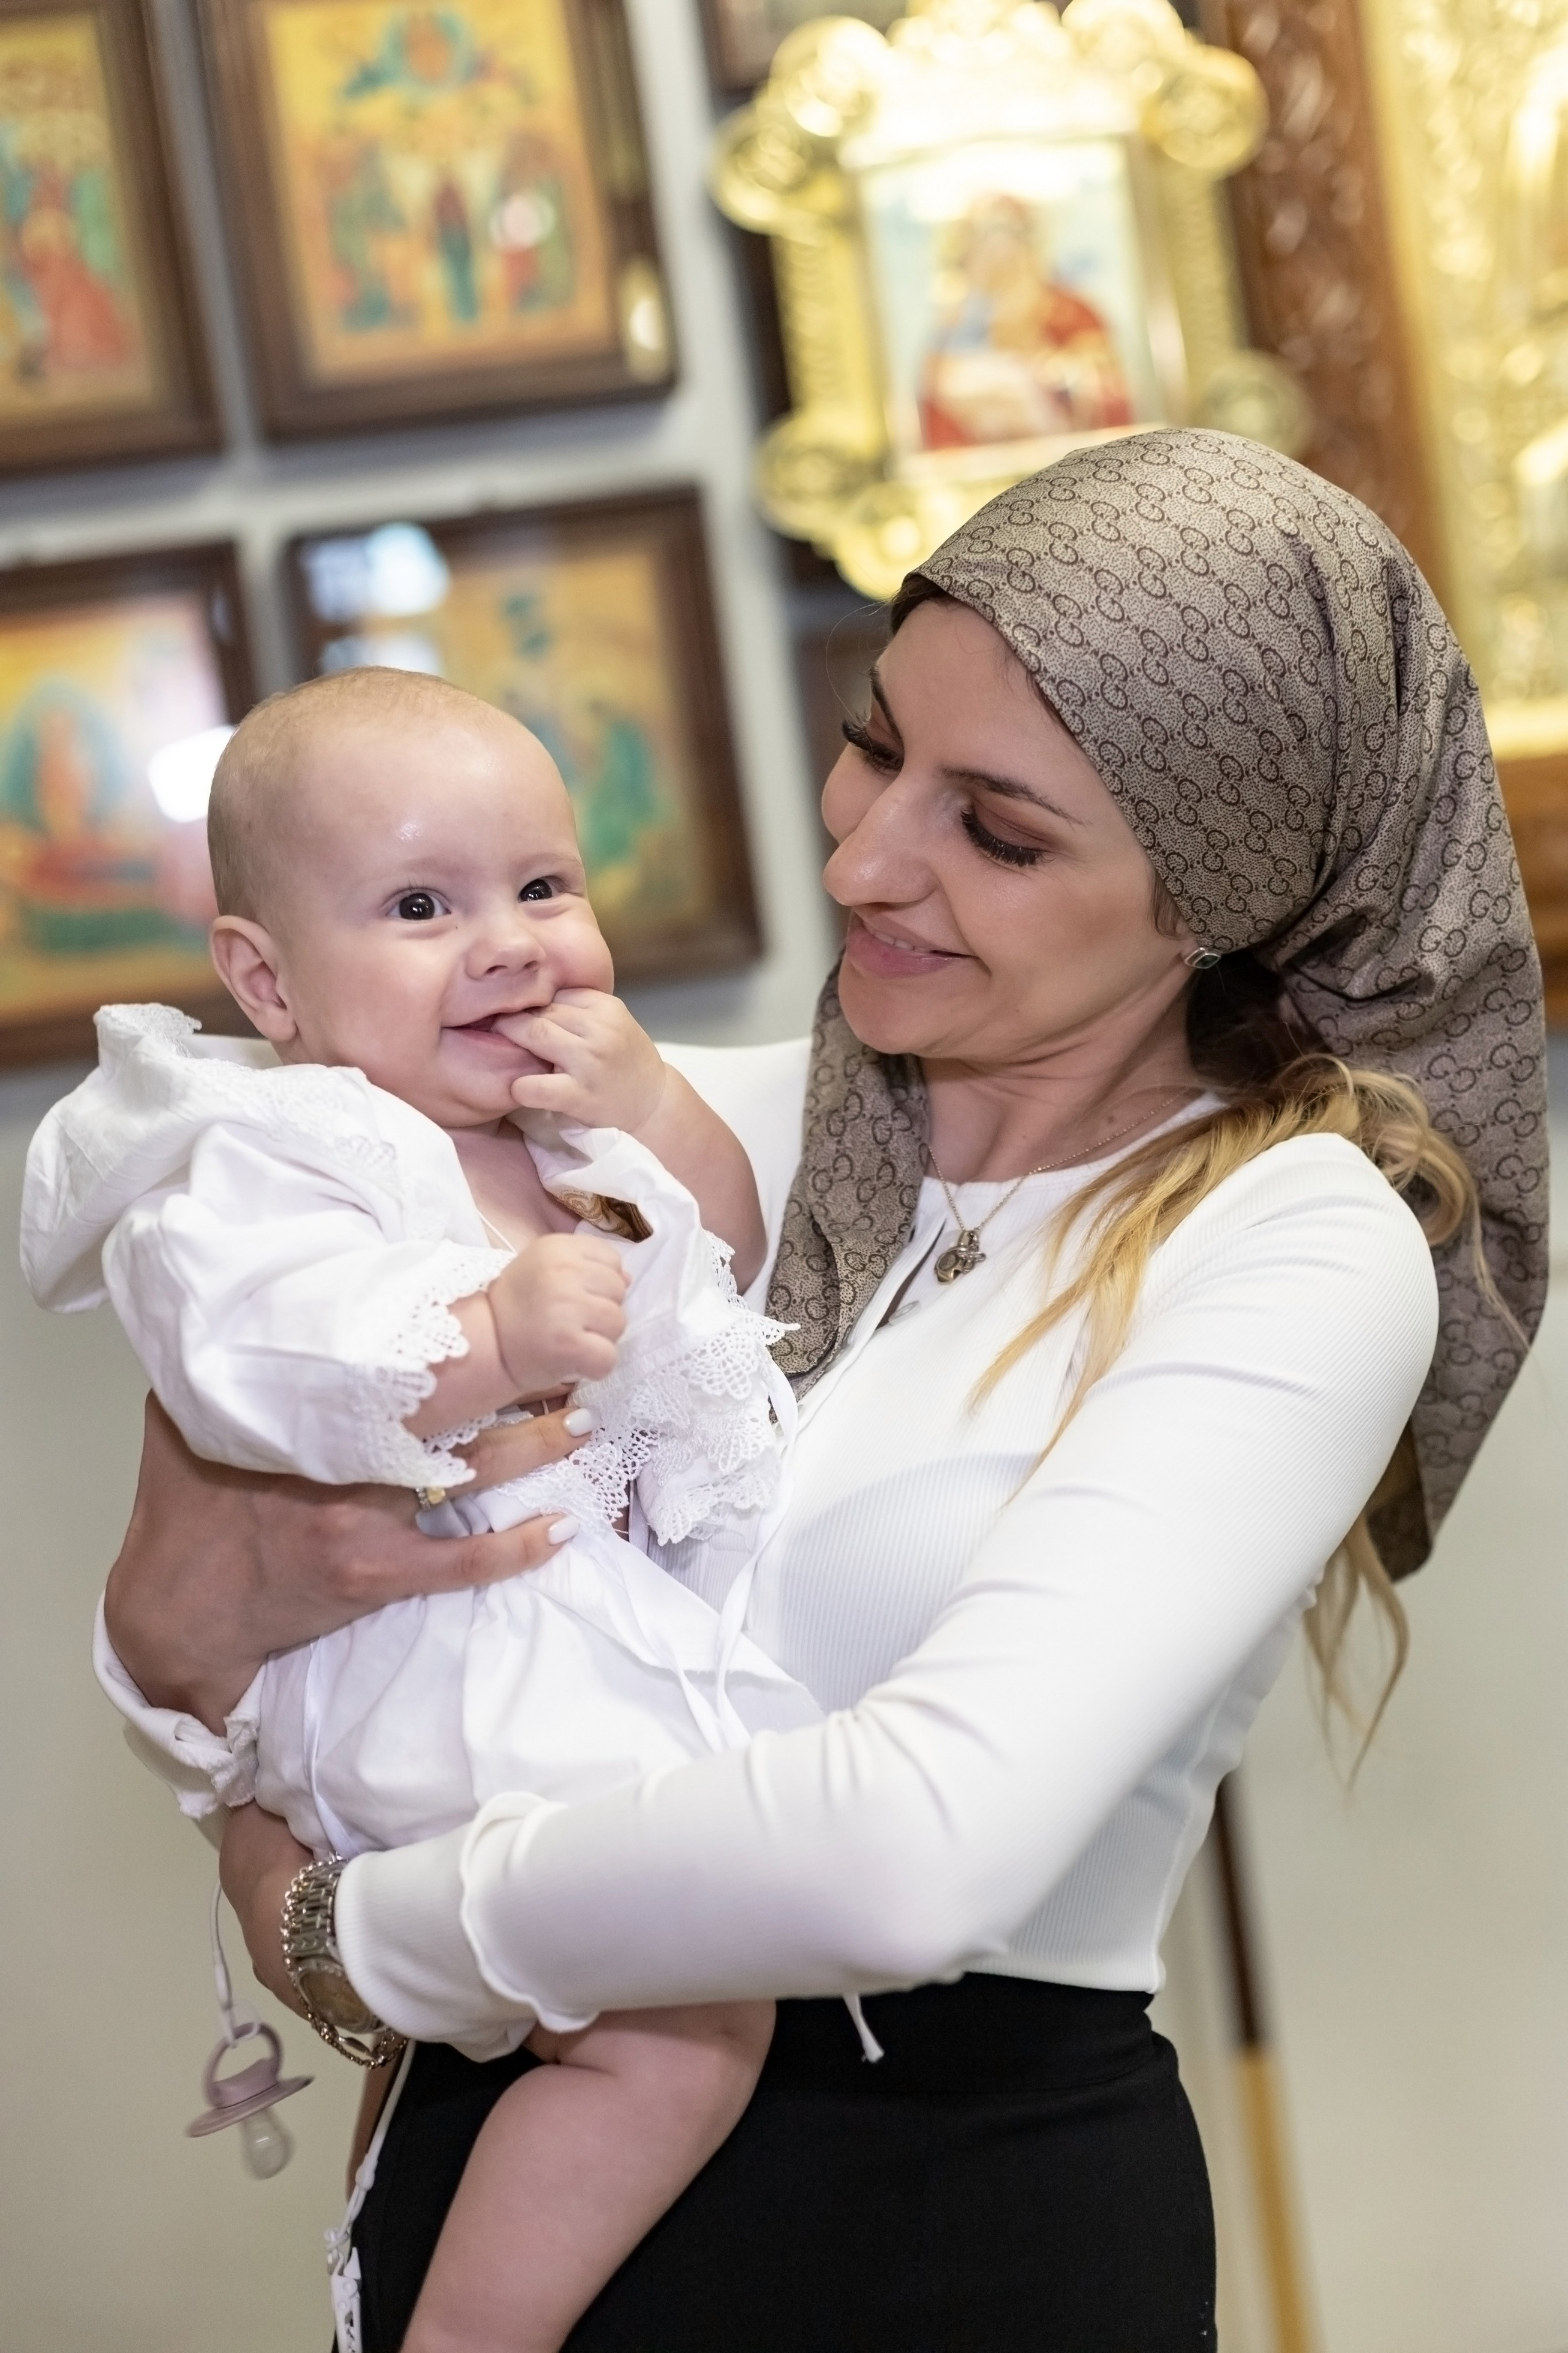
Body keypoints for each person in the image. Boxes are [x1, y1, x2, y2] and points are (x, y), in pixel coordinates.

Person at [96, 431, 1547, 2352]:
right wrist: (172, 1644)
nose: (864, 855)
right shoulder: (633, 1126)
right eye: (876, 746)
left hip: (932, 2226)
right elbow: (189, 1603)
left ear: (1213, 892)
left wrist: (354, 1933)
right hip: (489, 2175)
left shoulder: (1291, 1245)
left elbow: (913, 1846)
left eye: (1000, 832)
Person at [23, 669, 828, 2353]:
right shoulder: (272, 1149)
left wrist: (657, 1112)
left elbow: (733, 1269)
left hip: (539, 1648)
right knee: (681, 2024)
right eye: (421, 905)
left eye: (545, 886)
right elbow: (260, 1362)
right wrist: (486, 1338)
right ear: (269, 980)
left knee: (682, 2011)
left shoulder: (565, 1130)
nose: (512, 941)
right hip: (425, 1663)